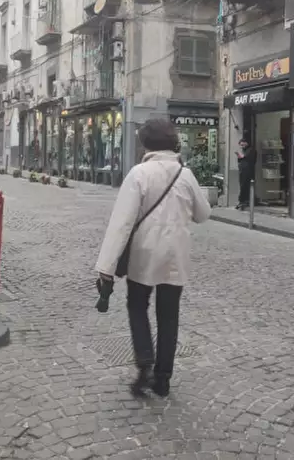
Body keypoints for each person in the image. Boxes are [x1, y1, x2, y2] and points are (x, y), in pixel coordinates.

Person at [95, 119, 212, 398]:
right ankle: (163, 379)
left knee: (137, 306)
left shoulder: (138, 174)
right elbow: (204, 214)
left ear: (146, 144)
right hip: (175, 255)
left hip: (143, 255)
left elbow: (122, 223)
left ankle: (145, 359)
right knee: (169, 316)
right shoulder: (186, 174)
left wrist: (106, 268)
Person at [235, 137, 257, 210]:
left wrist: (240, 156)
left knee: (245, 185)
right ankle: (242, 200)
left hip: (247, 171)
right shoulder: (244, 150)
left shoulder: (251, 150)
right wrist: (239, 156)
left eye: (242, 145)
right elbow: (240, 159)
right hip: (242, 170)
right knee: (242, 185)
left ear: (246, 143)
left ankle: (243, 200)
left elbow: (247, 158)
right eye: (241, 145)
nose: (242, 146)